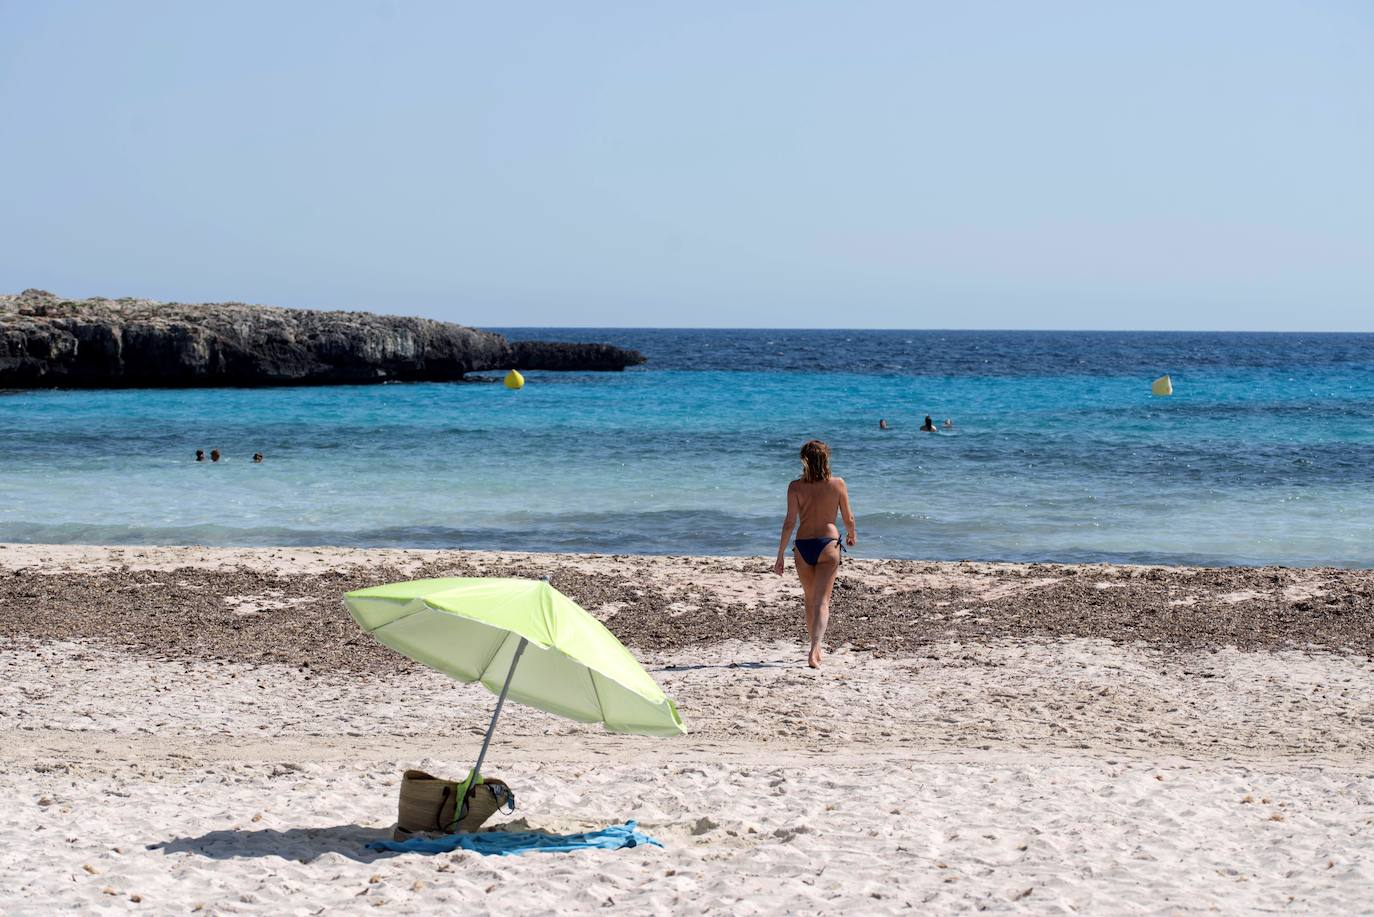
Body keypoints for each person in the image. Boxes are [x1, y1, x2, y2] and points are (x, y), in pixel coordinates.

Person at [773, 440, 856, 669]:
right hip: (828, 545)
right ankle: (815, 649)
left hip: (803, 546)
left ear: (804, 461)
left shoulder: (795, 487)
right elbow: (848, 518)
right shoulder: (838, 484)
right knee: (822, 601)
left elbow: (789, 522)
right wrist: (852, 534)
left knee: (810, 599)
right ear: (826, 459)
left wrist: (780, 555)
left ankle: (814, 647)